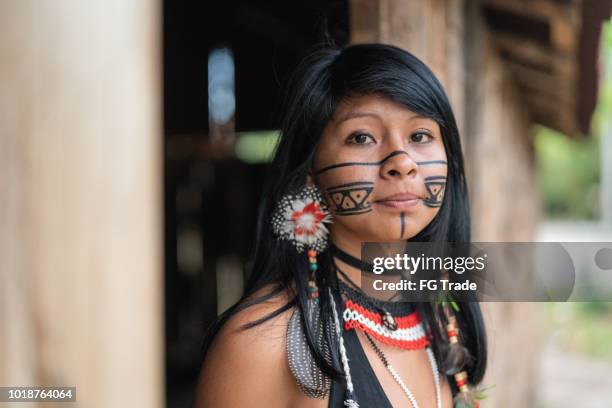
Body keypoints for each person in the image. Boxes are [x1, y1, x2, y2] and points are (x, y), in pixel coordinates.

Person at [194, 43, 487, 408]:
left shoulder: (443, 321)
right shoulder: (263, 343)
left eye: (420, 136)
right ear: (311, 174)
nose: (402, 162)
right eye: (361, 137)